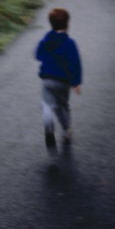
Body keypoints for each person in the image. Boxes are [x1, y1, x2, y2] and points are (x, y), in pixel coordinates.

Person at [35, 8, 82, 147]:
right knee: (63, 106)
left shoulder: (46, 40)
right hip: (63, 82)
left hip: (47, 80)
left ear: (51, 24)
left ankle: (48, 123)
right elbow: (75, 63)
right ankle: (66, 130)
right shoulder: (69, 43)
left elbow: (38, 55)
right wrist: (76, 82)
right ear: (67, 25)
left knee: (47, 105)